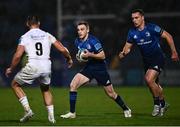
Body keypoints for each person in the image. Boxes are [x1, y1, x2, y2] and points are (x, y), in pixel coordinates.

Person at [5, 15, 73, 123]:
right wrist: (68, 58)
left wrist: (11, 68)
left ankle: (27, 110)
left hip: (33, 65)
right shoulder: (47, 35)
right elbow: (61, 48)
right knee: (45, 89)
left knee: (15, 84)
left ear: (27, 24)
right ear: (39, 23)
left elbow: (18, 55)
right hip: (46, 66)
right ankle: (51, 117)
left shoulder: (25, 37)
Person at [60, 21, 131, 119]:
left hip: (100, 69)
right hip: (89, 68)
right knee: (73, 85)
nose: (80, 32)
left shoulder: (94, 41)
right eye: (78, 30)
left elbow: (103, 55)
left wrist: (90, 55)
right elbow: (83, 56)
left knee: (110, 93)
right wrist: (80, 58)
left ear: (87, 30)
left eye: (82, 29)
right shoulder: (77, 41)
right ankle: (72, 113)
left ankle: (126, 108)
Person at [119, 9, 179, 116]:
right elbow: (127, 48)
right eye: (132, 18)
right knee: (153, 85)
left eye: (136, 18)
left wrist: (174, 52)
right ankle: (164, 104)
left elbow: (168, 36)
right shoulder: (132, 32)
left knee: (148, 79)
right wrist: (123, 53)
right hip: (147, 61)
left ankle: (157, 105)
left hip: (158, 58)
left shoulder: (152, 28)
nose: (134, 20)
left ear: (142, 17)